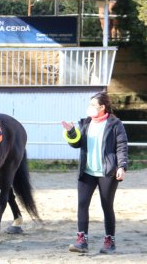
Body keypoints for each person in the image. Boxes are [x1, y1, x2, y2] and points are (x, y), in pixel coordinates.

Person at [61, 92, 128, 254]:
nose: (90, 108)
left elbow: (122, 146)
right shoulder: (85, 123)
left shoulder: (115, 124)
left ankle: (109, 241)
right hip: (87, 172)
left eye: (93, 105)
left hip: (107, 172)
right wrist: (71, 131)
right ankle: (81, 240)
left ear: (102, 107)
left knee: (107, 206)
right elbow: (76, 144)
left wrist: (122, 166)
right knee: (82, 204)